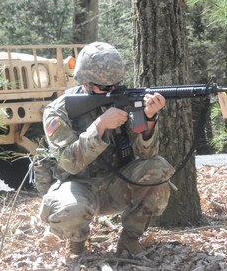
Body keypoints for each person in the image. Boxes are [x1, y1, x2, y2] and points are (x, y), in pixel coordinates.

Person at [37, 42, 175, 257]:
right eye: (105, 87)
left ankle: (129, 240)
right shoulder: (58, 111)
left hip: (116, 185)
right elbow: (69, 162)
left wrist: (148, 120)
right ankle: (76, 243)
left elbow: (147, 155)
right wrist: (100, 125)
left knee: (159, 168)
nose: (112, 91)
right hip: (77, 185)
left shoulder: (123, 101)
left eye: (116, 85)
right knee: (69, 210)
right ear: (86, 83)